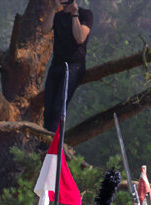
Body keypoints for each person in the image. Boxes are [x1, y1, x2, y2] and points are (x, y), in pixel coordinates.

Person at [42, 0, 92, 132]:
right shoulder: (57, 16)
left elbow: (80, 38)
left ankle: (53, 143)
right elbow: (44, 29)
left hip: (74, 66)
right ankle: (44, 141)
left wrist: (75, 15)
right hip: (57, 64)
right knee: (48, 107)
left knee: (59, 107)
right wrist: (53, 9)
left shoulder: (85, 14)